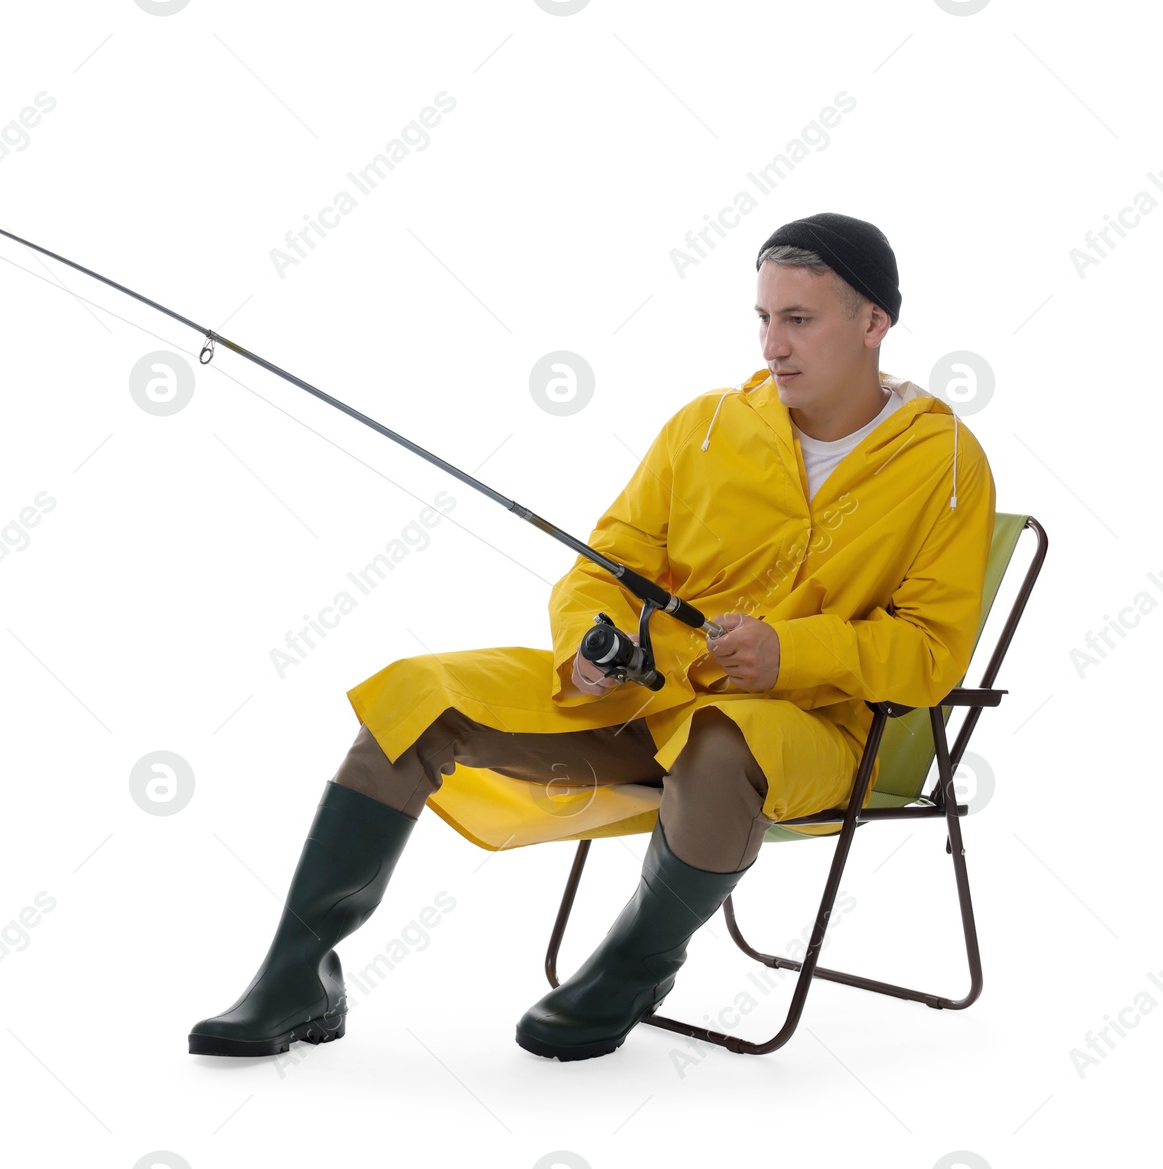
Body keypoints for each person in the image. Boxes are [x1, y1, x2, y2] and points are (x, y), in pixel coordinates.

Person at [188, 212, 996, 1062]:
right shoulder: (709, 425)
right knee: (413, 696)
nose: (771, 346)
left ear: (874, 323)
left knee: (724, 737)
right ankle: (295, 974)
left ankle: (635, 966)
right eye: (763, 318)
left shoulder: (944, 461)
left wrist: (791, 653)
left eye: (799, 320)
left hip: (808, 733)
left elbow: (933, 651)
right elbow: (602, 566)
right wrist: (589, 645)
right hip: (645, 700)